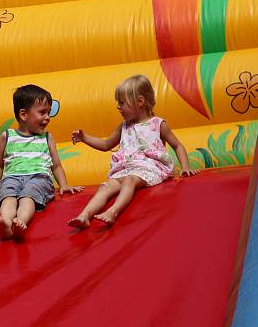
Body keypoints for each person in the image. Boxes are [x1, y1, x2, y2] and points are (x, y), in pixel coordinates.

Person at [68, 75, 198, 228]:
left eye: (122, 103)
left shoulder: (157, 124)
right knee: (105, 187)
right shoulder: (123, 126)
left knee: (130, 180)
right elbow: (105, 144)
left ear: (140, 102)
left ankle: (113, 211)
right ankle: (85, 216)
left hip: (149, 168)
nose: (118, 107)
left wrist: (185, 167)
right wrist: (85, 138)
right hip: (125, 168)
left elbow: (177, 145)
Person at [0, 84, 83, 240]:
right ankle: (5, 222)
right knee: (8, 197)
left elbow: (56, 165)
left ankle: (20, 221)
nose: (47, 117)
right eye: (42, 112)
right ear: (24, 115)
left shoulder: (47, 137)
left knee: (28, 196)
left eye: (49, 113)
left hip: (39, 177)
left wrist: (64, 185)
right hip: (11, 178)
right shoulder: (7, 136)